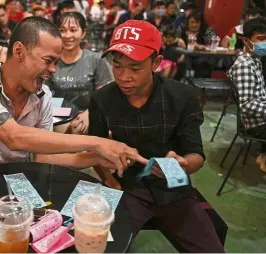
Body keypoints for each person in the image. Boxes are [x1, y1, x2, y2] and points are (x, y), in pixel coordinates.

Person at [89, 19, 225, 253]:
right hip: (128, 186)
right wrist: (111, 182)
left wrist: (182, 165)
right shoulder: (102, 99)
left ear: (156, 63)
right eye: (117, 65)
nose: (123, 76)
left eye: (135, 68)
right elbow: (95, 148)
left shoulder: (183, 97)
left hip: (175, 188)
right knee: (98, 247)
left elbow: (196, 154)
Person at [0, 16, 146, 179]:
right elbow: (13, 136)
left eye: (56, 62)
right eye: (48, 61)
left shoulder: (42, 94)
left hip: (19, 184)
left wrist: (97, 157)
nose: (54, 70)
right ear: (19, 51)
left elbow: (43, 158)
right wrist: (99, 142)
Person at [46, 12, 113, 134]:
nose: (67, 35)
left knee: (78, 129)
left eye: (73, 30)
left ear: (83, 33)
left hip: (87, 115)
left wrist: (89, 113)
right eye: (62, 30)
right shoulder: (50, 60)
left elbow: (104, 96)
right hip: (55, 117)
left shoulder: (95, 59)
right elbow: (43, 95)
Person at [227, 18, 266, 172]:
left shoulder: (256, 61)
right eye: (261, 39)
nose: (265, 43)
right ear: (246, 41)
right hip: (255, 124)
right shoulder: (244, 65)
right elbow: (247, 105)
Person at [180, 10, 216, 78]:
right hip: (184, 55)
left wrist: (201, 46)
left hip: (202, 56)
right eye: (192, 22)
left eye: (197, 22)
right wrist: (179, 40)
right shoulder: (181, 29)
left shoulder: (207, 31)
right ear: (187, 22)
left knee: (201, 63)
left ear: (201, 23)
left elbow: (213, 45)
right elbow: (172, 39)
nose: (194, 25)